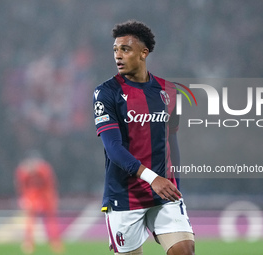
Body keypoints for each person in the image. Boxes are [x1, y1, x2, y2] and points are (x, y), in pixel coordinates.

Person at [93, 20, 195, 255]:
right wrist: (153, 178)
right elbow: (113, 148)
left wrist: (174, 182)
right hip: (124, 196)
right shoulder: (106, 93)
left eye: (125, 49)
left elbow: (172, 142)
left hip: (162, 193)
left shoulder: (169, 92)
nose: (118, 55)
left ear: (143, 53)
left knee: (185, 251)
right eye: (115, 50)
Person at [15, 151, 63, 254]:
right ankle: (29, 243)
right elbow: (22, 186)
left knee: (50, 220)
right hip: (32, 195)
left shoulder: (44, 169)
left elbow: (49, 184)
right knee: (30, 220)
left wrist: (51, 198)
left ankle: (55, 243)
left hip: (45, 195)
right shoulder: (23, 171)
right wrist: (24, 198)